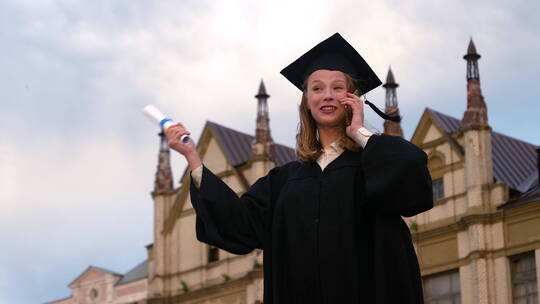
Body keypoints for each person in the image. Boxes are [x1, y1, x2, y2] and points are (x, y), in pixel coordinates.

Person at [165, 33, 433, 304]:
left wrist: (360, 132)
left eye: (338, 88)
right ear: (306, 101)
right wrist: (193, 158)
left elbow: (414, 179)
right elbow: (239, 226)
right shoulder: (284, 181)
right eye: (317, 88)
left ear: (353, 98)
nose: (327, 95)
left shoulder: (374, 166)